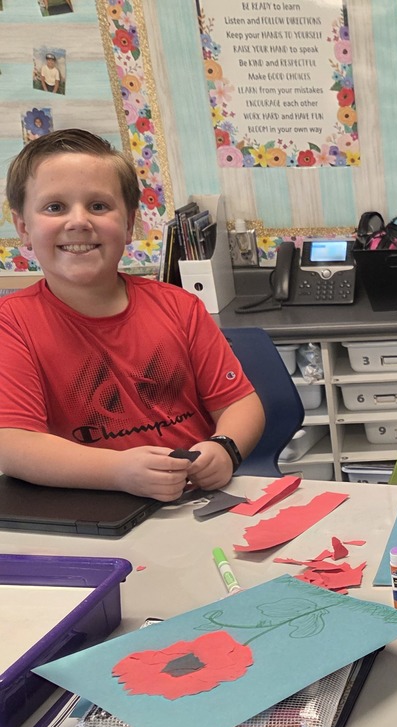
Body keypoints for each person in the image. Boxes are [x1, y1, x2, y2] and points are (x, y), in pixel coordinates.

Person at [0, 128, 264, 501]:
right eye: (55, 207)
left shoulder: (179, 307)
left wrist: (225, 446)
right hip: (92, 504)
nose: (79, 221)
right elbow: (12, 445)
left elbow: (239, 402)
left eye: (98, 206)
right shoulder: (10, 324)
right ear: (24, 228)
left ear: (128, 225)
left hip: (194, 500)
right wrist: (119, 471)